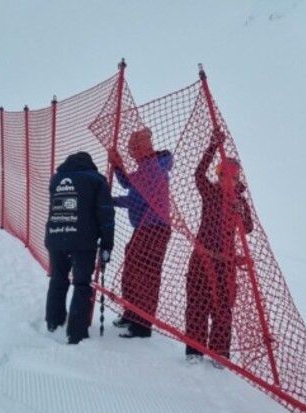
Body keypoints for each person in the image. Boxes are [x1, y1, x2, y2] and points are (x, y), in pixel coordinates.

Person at [184, 129, 254, 366]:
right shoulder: (210, 193)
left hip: (225, 263)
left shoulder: (240, 201)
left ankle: (220, 353)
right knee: (196, 303)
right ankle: (194, 350)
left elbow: (248, 228)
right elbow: (198, 175)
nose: (226, 180)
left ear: (237, 180)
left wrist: (240, 211)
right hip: (202, 257)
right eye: (222, 175)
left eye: (231, 177)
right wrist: (213, 146)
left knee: (223, 308)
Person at [109, 127, 173, 339]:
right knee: (132, 270)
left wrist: (111, 201)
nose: (131, 152)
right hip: (146, 229)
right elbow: (129, 182)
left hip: (153, 229)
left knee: (144, 276)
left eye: (133, 147)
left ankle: (141, 325)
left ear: (141, 148)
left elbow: (136, 198)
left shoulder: (151, 169)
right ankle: (131, 313)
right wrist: (118, 165)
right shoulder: (147, 167)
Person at [44, 151, 114, 345]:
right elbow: (106, 214)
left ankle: (53, 321)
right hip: (83, 241)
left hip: (55, 238)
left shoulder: (56, 179)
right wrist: (107, 244)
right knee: (82, 284)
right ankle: (76, 332)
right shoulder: (95, 180)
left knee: (58, 278)